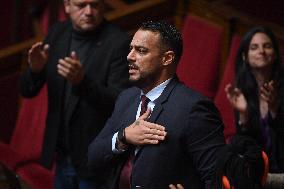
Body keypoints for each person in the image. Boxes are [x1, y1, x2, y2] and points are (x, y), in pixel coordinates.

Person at [87, 20, 225, 189]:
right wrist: (123, 137)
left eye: (141, 51)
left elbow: (217, 178)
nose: (130, 56)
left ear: (167, 58)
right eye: (131, 48)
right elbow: (92, 156)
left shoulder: (194, 108)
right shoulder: (127, 98)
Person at [19, 0, 130, 188]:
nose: (88, 12)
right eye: (81, 5)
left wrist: (82, 82)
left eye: (94, 5)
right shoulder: (57, 33)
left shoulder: (119, 43)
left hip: (95, 159)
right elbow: (27, 91)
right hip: (62, 154)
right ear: (67, 6)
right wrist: (35, 70)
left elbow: (121, 104)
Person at [225, 27, 284, 188]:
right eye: (254, 47)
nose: (262, 51)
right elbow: (247, 144)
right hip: (260, 170)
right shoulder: (243, 91)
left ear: (276, 54)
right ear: (245, 56)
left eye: (267, 46)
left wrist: (274, 109)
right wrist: (244, 114)